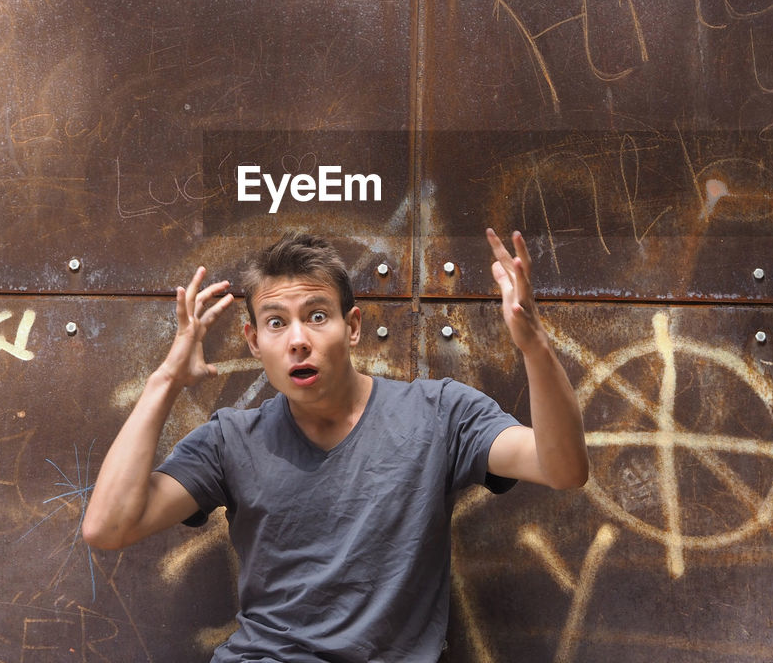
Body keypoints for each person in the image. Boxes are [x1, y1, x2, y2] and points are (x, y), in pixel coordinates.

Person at [82, 228, 589, 662]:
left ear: (353, 328)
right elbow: (108, 527)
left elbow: (562, 468)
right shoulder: (229, 440)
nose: (297, 339)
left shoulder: (439, 415)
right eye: (276, 322)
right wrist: (166, 379)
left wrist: (534, 345)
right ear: (254, 341)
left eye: (317, 316)